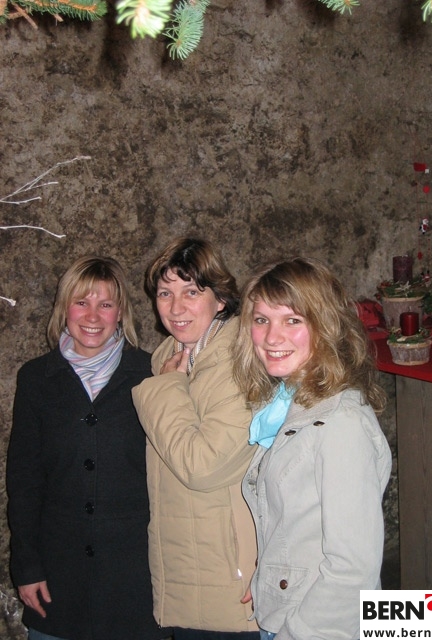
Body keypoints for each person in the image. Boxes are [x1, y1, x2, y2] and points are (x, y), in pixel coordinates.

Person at [7, 256, 170, 640]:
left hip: (135, 580)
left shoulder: (152, 375)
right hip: (58, 579)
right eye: (81, 302)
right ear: (64, 308)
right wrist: (26, 566)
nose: (93, 316)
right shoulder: (36, 379)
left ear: (121, 312)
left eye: (105, 304)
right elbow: (24, 480)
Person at [233, 257, 392, 640]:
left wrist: (295, 634)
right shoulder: (288, 404)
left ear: (325, 326)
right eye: (261, 319)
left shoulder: (340, 425)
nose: (272, 337)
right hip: (288, 611)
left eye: (292, 320)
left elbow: (353, 569)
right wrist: (269, 579)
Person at [132, 237, 259, 640]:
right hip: (189, 569)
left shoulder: (238, 365)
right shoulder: (171, 357)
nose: (175, 308)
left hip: (230, 578)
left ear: (220, 299)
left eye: (191, 292)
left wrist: (166, 389)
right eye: (164, 293)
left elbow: (202, 468)